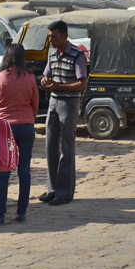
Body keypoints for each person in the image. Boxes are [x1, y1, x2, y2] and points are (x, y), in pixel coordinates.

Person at [39, 20, 88, 206]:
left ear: (65, 36)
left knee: (66, 148)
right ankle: (52, 190)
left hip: (69, 102)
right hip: (53, 101)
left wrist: (59, 86)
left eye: (54, 37)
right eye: (50, 36)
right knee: (51, 146)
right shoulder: (52, 54)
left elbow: (82, 83)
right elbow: (47, 75)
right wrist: (45, 80)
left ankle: (64, 192)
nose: (51, 40)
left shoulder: (77, 55)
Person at [0, 43, 40, 223]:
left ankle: (0, 214)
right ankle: (21, 212)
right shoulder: (30, 77)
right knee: (24, 169)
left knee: (3, 171)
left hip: (4, 126)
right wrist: (29, 117)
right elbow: (35, 104)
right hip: (26, 124)